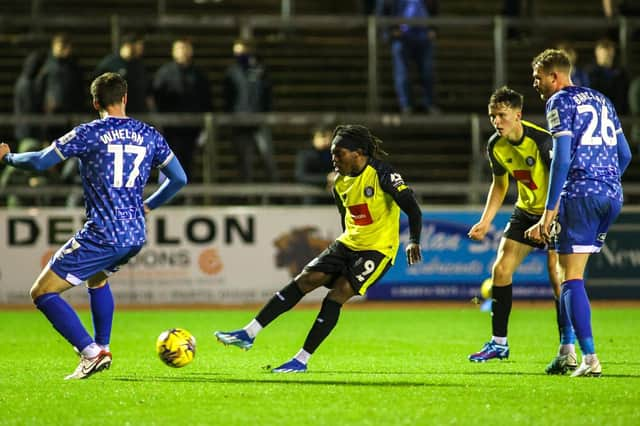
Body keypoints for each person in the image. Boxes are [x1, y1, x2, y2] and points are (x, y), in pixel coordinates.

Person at [0, 72, 187, 379]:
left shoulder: (89, 133)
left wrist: (8, 158)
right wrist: (149, 205)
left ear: (95, 102)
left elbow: (41, 162)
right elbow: (179, 178)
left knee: (42, 293)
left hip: (103, 233)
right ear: (125, 98)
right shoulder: (149, 134)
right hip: (135, 233)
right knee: (97, 279)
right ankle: (102, 346)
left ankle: (91, 352)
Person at [215, 124, 423, 373]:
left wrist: (413, 240)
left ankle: (300, 360)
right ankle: (249, 333)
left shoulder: (383, 175)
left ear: (358, 153)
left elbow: (412, 208)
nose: (333, 159)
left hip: (378, 250)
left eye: (339, 154)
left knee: (338, 293)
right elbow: (346, 216)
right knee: (306, 279)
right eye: (333, 154)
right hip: (348, 243)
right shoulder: (339, 183)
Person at [526, 49, 632, 377]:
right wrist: (606, 182)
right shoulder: (602, 100)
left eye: (538, 78)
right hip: (611, 193)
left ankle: (588, 358)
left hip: (580, 193)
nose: (535, 84)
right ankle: (566, 351)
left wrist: (548, 213)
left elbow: (561, 158)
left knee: (569, 276)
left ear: (555, 76)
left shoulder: (559, 101)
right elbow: (624, 154)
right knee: (569, 272)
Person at [467, 87, 574, 373]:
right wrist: (486, 220)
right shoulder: (495, 146)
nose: (496, 122)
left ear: (518, 114)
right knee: (500, 270)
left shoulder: (542, 141)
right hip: (525, 211)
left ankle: (568, 347)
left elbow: (560, 183)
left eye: (501, 116)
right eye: (492, 117)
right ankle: (499, 343)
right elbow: (500, 185)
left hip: (555, 211)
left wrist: (548, 221)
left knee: (556, 275)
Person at [153, 37, 212, 181]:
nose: (183, 52)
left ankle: (189, 195)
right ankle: (168, 195)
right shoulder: (165, 73)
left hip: (192, 127)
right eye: (179, 48)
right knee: (169, 162)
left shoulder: (198, 75)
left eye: (186, 48)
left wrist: (204, 127)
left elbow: (206, 99)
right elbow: (155, 97)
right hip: (170, 127)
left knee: (189, 161)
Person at [223, 37, 278, 182]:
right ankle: (245, 195)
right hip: (240, 122)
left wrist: (265, 113)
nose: (240, 54)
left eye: (243, 51)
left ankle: (275, 191)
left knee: (267, 156)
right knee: (244, 159)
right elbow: (228, 97)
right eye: (237, 51)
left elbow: (267, 93)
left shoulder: (261, 69)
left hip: (259, 120)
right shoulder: (232, 72)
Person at [376, 0, 440, 114]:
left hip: (423, 36)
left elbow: (434, 8)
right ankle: (406, 106)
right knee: (402, 73)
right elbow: (382, 12)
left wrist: (433, 29)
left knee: (428, 72)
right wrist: (390, 31)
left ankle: (429, 104)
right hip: (401, 37)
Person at [36, 33, 86, 142]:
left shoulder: (74, 67)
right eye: (61, 46)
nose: (64, 50)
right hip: (50, 114)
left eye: (66, 47)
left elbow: (80, 89)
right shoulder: (46, 65)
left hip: (70, 114)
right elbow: (39, 88)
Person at [94, 33, 153, 114]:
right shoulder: (110, 65)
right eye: (139, 45)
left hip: (137, 115)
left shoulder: (139, 66)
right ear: (128, 45)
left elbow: (147, 91)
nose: (141, 48)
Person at [587, 38, 630, 116]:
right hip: (596, 114)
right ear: (597, 53)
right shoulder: (589, 73)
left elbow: (623, 95)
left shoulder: (621, 73)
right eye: (603, 53)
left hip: (618, 114)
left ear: (613, 53)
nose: (606, 56)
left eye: (609, 53)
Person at [294, 125, 335, 203]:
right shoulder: (305, 154)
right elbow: (300, 176)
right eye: (322, 137)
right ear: (314, 138)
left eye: (329, 137)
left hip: (331, 196)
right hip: (311, 196)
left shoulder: (333, 153)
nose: (326, 140)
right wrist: (326, 178)